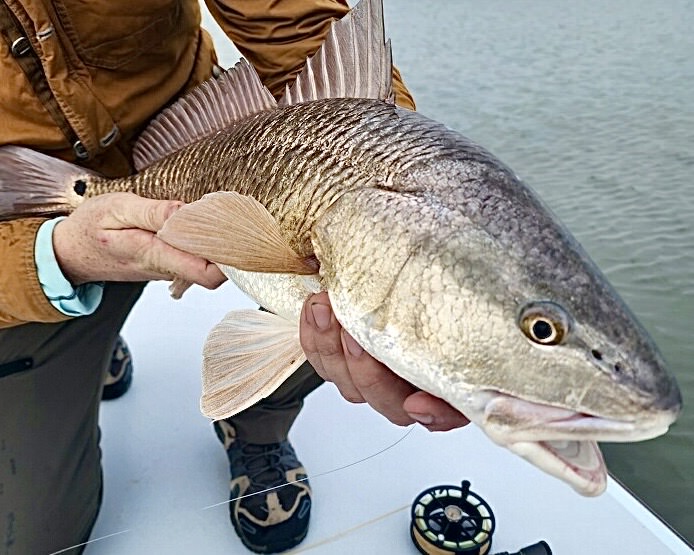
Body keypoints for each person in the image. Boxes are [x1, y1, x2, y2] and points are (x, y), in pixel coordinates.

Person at [0, 0, 468, 553]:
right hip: (26, 230)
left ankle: (257, 423)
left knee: (342, 311)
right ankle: (90, 315)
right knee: (36, 541)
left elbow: (298, 24)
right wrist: (55, 257)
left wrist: (381, 162)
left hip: (202, 138)